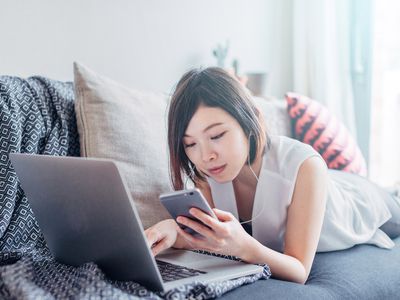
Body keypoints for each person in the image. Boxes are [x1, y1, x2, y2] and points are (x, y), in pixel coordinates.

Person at [145, 67, 400, 284]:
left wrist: (243, 246)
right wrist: (173, 232)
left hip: (358, 201)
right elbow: (210, 240)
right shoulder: (205, 174)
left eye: (216, 136)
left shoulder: (304, 166)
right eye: (190, 144)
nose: (205, 155)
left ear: (251, 120)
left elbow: (299, 270)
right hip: (330, 183)